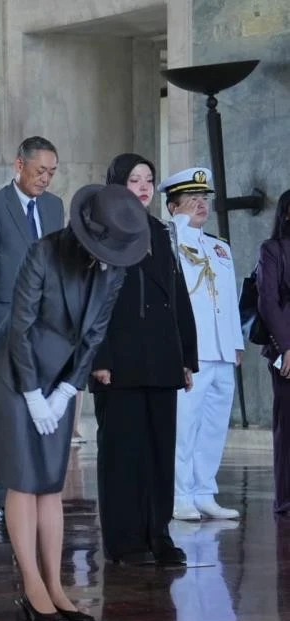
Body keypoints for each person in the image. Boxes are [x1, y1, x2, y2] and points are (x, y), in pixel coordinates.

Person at [0, 183, 148, 621]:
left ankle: (56, 586)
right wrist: (33, 394)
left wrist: (67, 391)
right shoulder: (45, 253)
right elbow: (20, 328)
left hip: (59, 375)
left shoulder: (114, 268)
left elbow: (94, 335)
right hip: (16, 371)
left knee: (51, 481)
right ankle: (33, 587)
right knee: (24, 479)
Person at [90, 153, 197, 566]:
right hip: (118, 361)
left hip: (161, 357)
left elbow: (177, 294)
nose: (143, 186)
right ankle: (125, 541)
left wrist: (185, 356)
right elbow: (92, 299)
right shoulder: (100, 231)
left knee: (158, 451)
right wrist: (99, 356)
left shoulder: (160, 231)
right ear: (117, 185)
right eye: (134, 179)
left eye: (148, 179)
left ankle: (159, 535)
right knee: (123, 453)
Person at [0, 136, 65, 525]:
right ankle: (2, 497)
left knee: (39, 409)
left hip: (46, 326)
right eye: (40, 171)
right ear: (19, 165)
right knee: (4, 410)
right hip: (2, 323)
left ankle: (35, 487)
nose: (46, 179)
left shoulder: (55, 207)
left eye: (51, 172)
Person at [162, 168, 243, 521]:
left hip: (222, 350)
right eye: (191, 199)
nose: (200, 205)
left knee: (213, 426)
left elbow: (229, 298)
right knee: (184, 427)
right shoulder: (169, 241)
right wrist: (178, 224)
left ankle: (204, 492)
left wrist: (236, 343)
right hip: (193, 352)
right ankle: (180, 495)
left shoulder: (219, 247)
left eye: (204, 198)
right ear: (173, 206)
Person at [256, 188, 290, 516]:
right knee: (288, 426)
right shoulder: (273, 249)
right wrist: (286, 346)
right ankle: (286, 499)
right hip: (287, 347)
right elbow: (267, 301)